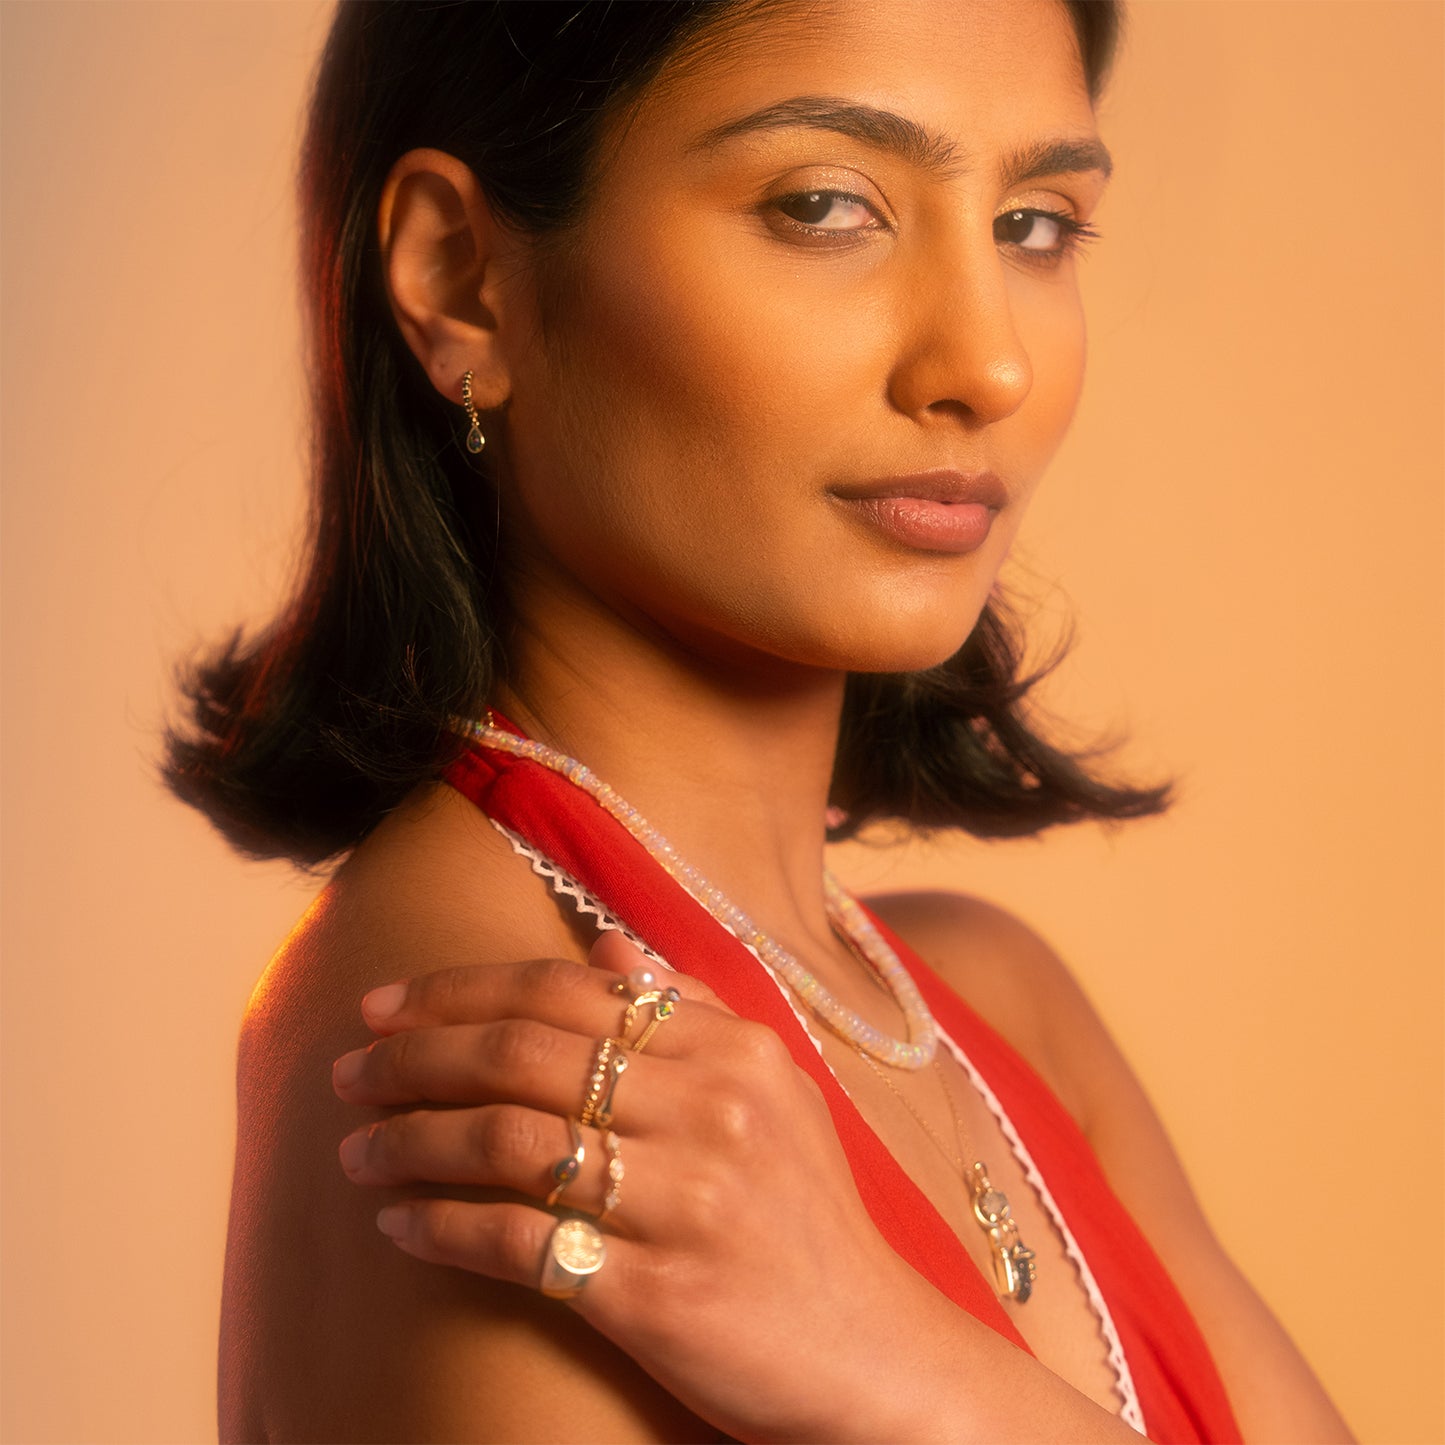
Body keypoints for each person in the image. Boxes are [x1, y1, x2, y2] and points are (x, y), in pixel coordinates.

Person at [168, 2, 1356, 1440]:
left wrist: (912, 1371)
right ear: (462, 278)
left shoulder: (1000, 1007)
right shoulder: (480, 1029)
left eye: (1035, 224)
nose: (987, 365)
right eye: (825, 205)